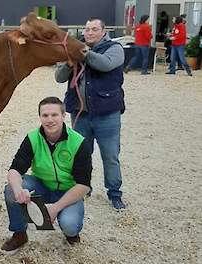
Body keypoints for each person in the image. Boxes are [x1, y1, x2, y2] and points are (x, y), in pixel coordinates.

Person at [1, 97, 92, 253]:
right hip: (41, 187)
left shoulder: (79, 142)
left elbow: (83, 186)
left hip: (68, 191)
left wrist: (55, 208)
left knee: (70, 226)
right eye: (45, 115)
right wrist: (18, 191)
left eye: (54, 115)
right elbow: (14, 170)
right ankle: (19, 233)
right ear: (40, 117)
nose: (50, 120)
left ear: (63, 116)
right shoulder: (32, 138)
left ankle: (71, 232)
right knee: (11, 190)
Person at [55, 18, 126, 210]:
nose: (90, 32)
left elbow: (105, 64)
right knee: (82, 155)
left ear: (104, 31)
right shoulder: (75, 49)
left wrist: (83, 53)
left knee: (110, 155)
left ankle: (114, 193)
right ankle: (83, 189)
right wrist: (69, 64)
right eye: (87, 29)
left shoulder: (115, 49)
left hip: (107, 114)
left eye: (94, 29)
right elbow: (58, 77)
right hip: (81, 114)